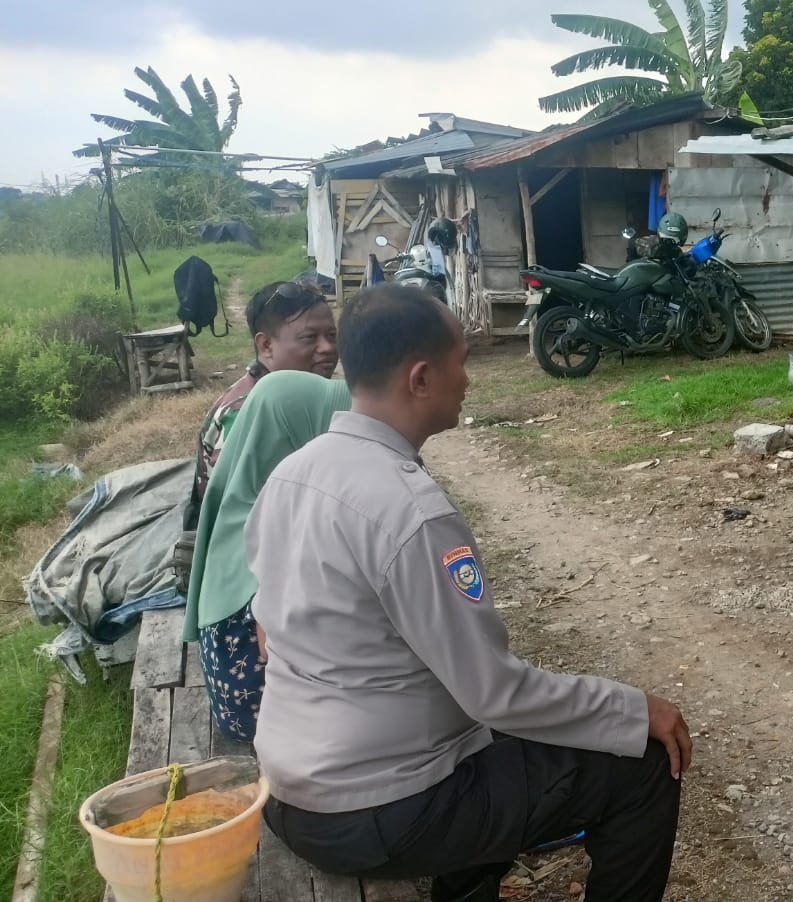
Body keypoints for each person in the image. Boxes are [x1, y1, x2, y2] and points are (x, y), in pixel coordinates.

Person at [245, 284, 690, 902]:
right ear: (421, 378)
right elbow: (495, 692)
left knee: (518, 755)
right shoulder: (410, 511)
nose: (469, 380)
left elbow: (265, 624)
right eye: (463, 361)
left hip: (288, 792)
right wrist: (637, 709)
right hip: (377, 810)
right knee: (641, 767)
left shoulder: (294, 473)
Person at [181, 370, 351, 743]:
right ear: (296, 435)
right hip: (270, 721)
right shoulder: (282, 523)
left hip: (233, 706)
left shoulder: (237, 506)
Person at [187, 280, 338, 518]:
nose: (328, 348)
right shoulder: (245, 414)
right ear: (266, 345)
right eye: (310, 338)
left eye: (332, 335)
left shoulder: (300, 396)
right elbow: (233, 515)